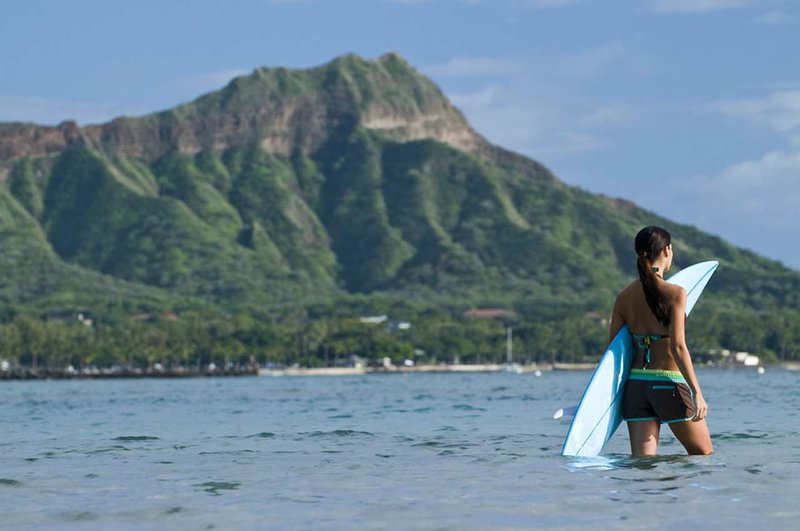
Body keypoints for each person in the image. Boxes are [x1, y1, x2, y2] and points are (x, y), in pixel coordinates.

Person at [608, 226, 713, 456]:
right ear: (667, 250)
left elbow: (613, 350)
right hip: (668, 384)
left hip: (635, 389)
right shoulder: (675, 293)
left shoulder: (624, 297)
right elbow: (677, 346)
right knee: (703, 456)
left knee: (643, 466)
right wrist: (697, 391)